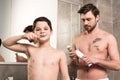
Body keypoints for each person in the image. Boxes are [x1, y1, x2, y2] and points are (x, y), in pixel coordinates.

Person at [2, 17, 70, 80]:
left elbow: (65, 77)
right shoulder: (30, 49)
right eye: (38, 29)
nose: (42, 31)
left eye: (45, 29)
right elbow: (6, 43)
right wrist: (23, 36)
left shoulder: (59, 54)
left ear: (51, 32)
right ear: (33, 32)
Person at [69, 3, 120, 80]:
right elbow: (73, 66)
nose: (85, 23)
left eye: (88, 19)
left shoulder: (108, 37)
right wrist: (73, 60)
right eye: (83, 20)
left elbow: (117, 65)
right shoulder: (77, 38)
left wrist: (96, 60)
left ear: (97, 17)